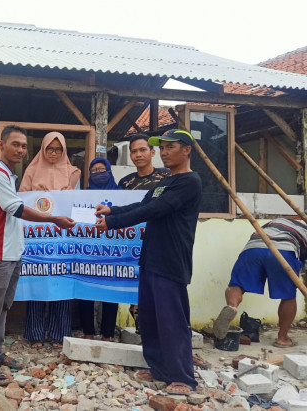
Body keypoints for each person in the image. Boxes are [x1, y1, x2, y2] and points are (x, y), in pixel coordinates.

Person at [95, 129, 201, 395]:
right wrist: (113, 210)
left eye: (170, 147)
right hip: (151, 257)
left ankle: (183, 377)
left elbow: (155, 210)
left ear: (187, 149)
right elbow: (142, 204)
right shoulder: (164, 183)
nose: (164, 152)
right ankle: (159, 368)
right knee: (150, 317)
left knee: (172, 320)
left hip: (171, 260)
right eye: (162, 147)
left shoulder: (189, 182)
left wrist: (113, 223)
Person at [0, 126, 75, 385]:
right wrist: (54, 218)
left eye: (23, 146)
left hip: (12, 252)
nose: (20, 150)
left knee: (3, 307)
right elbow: (16, 208)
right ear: (1, 144)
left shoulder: (10, 175)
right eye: (15, 144)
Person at [20, 132, 80, 349]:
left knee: (61, 283)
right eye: (49, 149)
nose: (54, 153)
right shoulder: (32, 171)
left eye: (58, 149)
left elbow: (78, 203)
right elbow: (21, 201)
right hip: (38, 238)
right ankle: (35, 334)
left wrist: (68, 194)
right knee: (36, 281)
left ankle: (58, 333)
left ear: (64, 151)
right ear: (43, 149)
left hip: (62, 239)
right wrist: (37, 195)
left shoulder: (72, 172)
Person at [213, 217, 307, 348]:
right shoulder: (304, 231)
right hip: (284, 250)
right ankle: (282, 338)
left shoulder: (276, 221)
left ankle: (232, 306)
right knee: (288, 295)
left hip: (253, 248)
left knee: (237, 284)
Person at [118, 133, 170, 333]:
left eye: (142, 150)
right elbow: (125, 210)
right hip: (133, 244)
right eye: (134, 151)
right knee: (136, 290)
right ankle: (143, 335)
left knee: (161, 290)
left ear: (152, 152)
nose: (138, 154)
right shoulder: (125, 182)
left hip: (161, 242)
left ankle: (161, 335)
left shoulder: (166, 177)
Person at [79, 157, 120, 341]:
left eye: (102, 169)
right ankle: (88, 331)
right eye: (93, 170)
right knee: (85, 288)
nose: (98, 173)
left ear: (110, 171)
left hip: (113, 250)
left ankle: (107, 333)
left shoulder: (120, 193)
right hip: (88, 249)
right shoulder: (84, 194)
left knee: (111, 289)